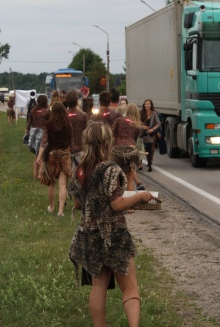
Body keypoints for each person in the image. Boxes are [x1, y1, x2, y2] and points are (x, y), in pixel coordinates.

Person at [68, 121, 156, 327]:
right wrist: (140, 196)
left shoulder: (79, 170)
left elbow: (77, 203)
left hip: (89, 235)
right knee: (130, 288)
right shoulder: (110, 169)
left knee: (98, 286)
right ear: (107, 142)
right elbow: (116, 204)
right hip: (114, 234)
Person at [37, 102, 74, 216]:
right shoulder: (68, 124)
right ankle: (61, 211)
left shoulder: (48, 124)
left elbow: (44, 142)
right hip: (64, 154)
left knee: (51, 183)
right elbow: (71, 142)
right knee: (62, 184)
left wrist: (39, 156)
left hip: (51, 154)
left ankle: (52, 207)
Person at [111, 103, 144, 191]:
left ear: (127, 110)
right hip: (131, 150)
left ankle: (116, 197)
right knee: (129, 176)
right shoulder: (137, 124)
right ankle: (130, 199)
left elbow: (111, 133)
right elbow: (135, 139)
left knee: (114, 174)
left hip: (118, 148)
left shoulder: (119, 120)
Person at [24, 94, 51, 179]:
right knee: (42, 156)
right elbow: (50, 124)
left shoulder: (32, 111)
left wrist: (25, 135)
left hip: (34, 134)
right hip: (44, 134)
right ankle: (40, 175)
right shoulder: (47, 111)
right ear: (46, 101)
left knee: (36, 155)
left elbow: (28, 124)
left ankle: (35, 175)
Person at [66, 90, 89, 171]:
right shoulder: (83, 115)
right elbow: (88, 133)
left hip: (67, 150)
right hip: (81, 149)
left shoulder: (63, 116)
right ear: (77, 102)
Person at [140, 99, 161, 172]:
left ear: (151, 105)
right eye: (145, 104)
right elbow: (138, 122)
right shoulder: (141, 112)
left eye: (148, 104)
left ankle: (149, 164)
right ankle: (140, 162)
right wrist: (142, 126)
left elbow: (158, 123)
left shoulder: (154, 113)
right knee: (140, 147)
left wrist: (152, 129)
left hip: (149, 133)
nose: (147, 105)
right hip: (142, 133)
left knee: (150, 149)